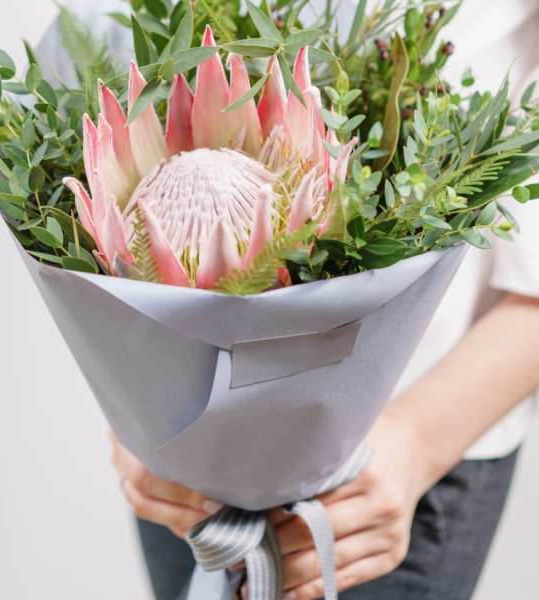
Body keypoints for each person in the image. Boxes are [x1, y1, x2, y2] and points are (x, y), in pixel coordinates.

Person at [109, 1, 539, 599]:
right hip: (182, 447)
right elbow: (105, 100)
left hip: (399, 459)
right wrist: (134, 406)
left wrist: (414, 446)